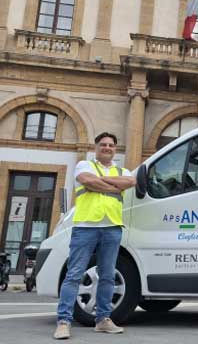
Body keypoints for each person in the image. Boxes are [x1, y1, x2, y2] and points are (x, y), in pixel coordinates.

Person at [53, 132, 136, 340]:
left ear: (115, 149)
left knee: (107, 275)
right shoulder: (85, 165)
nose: (107, 147)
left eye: (111, 145)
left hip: (112, 227)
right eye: (103, 144)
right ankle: (63, 322)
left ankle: (103, 320)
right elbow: (85, 180)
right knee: (74, 274)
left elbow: (130, 181)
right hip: (86, 226)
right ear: (96, 147)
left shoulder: (123, 170)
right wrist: (113, 184)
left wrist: (101, 181)